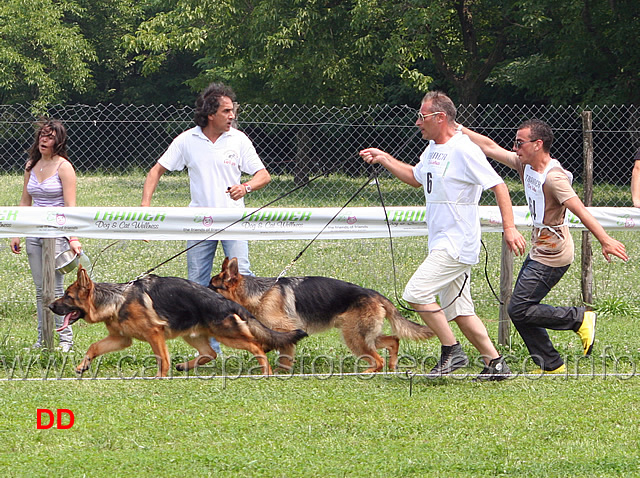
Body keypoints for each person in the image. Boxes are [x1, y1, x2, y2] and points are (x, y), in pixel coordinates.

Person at [359, 91, 527, 381]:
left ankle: (452, 351)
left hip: (457, 243)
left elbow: (498, 186)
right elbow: (416, 178)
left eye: (422, 117)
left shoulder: (465, 149)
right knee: (460, 311)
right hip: (441, 241)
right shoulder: (433, 148)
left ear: (440, 117)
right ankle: (496, 364)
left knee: (416, 292)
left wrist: (509, 228)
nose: (417, 123)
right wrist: (384, 158)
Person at [461, 119, 629, 373]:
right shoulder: (525, 164)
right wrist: (457, 128)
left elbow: (580, 211)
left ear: (538, 144)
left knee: (519, 307)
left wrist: (605, 240)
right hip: (540, 248)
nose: (515, 148)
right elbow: (489, 146)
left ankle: (579, 318)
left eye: (520, 143)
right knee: (521, 309)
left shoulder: (554, 178)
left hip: (554, 253)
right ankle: (550, 364)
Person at [141, 82, 271, 354]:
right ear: (210, 114)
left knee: (242, 280)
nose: (232, 116)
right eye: (226, 111)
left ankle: (256, 340)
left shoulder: (239, 139)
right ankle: (211, 349)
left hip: (234, 220)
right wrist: (146, 209)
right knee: (197, 285)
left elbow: (263, 175)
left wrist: (245, 187)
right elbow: (155, 172)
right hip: (198, 223)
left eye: (232, 110)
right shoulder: (187, 140)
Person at [10, 118, 82, 352]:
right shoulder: (31, 165)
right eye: (42, 134)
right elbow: (25, 201)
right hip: (34, 232)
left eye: (50, 136)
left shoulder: (64, 167)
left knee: (57, 290)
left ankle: (65, 340)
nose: (44, 139)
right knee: (41, 290)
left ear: (58, 141)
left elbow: (70, 207)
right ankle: (43, 340)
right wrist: (17, 231)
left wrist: (72, 237)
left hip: (57, 234)